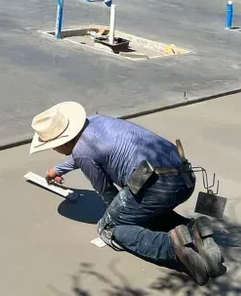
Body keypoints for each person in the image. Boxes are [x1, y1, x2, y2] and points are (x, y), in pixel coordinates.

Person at [29, 101, 224, 284]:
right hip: (184, 175)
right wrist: (58, 170)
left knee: (110, 226)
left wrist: (117, 216)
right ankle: (193, 229)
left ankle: (172, 246)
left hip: (159, 185)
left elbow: (106, 191)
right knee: (139, 211)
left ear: (60, 143)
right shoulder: (97, 120)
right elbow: (86, 152)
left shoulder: (81, 151)